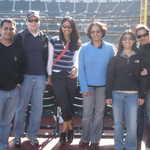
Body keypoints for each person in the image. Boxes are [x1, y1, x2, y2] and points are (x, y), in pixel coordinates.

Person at [13, 11, 53, 147]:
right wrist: (17, 78)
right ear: (26, 22)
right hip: (25, 77)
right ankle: (17, 135)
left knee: (37, 108)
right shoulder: (19, 36)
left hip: (41, 77)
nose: (33, 22)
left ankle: (33, 135)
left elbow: (48, 58)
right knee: (21, 108)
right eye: (31, 20)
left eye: (36, 20)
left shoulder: (44, 37)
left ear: (39, 21)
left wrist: (48, 75)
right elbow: (15, 58)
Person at [78, 22, 115, 150]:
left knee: (99, 114)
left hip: (103, 87)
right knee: (86, 115)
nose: (95, 34)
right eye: (93, 32)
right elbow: (81, 69)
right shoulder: (83, 48)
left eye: (98, 31)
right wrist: (83, 87)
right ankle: (85, 138)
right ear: (89, 34)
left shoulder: (110, 48)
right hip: (88, 86)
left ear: (102, 32)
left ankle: (95, 139)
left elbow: (112, 69)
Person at [106, 30, 145, 150]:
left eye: (130, 38)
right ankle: (118, 146)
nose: (127, 41)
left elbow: (142, 79)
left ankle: (130, 147)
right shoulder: (115, 58)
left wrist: (141, 95)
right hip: (117, 95)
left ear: (134, 41)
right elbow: (110, 77)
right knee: (117, 124)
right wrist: (108, 96)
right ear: (121, 42)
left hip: (133, 95)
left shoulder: (139, 57)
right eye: (125, 39)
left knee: (132, 125)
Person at [49, 16, 80, 145]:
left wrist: (75, 68)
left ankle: (66, 128)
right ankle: (66, 129)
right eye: (64, 26)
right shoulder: (54, 40)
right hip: (57, 75)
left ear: (72, 28)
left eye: (69, 26)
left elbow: (76, 60)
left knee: (69, 102)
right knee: (63, 101)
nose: (66, 29)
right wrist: (49, 75)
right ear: (61, 27)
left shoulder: (76, 42)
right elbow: (50, 59)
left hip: (70, 76)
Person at [0, 19, 24, 150]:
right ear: (0, 30)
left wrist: (19, 82)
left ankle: (3, 144)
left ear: (14, 31)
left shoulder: (18, 49)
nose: (8, 31)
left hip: (14, 91)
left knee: (7, 122)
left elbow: (22, 67)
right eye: (6, 28)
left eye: (11, 29)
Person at [135, 24, 150, 149]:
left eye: (145, 34)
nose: (143, 37)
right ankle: (137, 141)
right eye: (139, 36)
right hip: (138, 89)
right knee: (138, 116)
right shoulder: (138, 50)